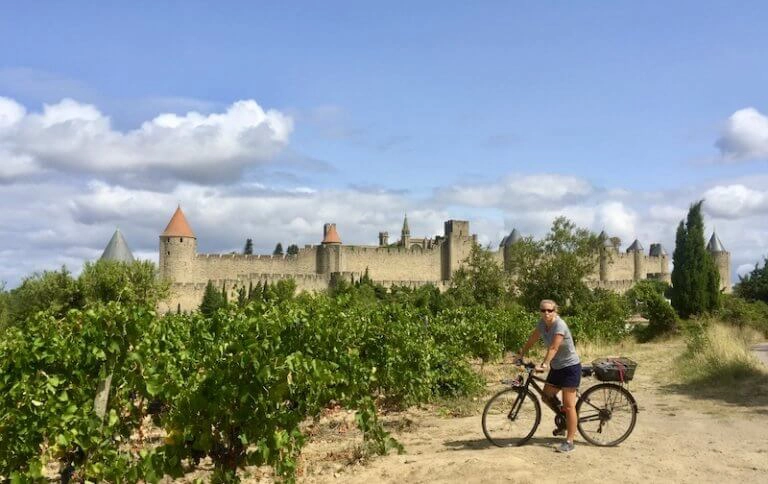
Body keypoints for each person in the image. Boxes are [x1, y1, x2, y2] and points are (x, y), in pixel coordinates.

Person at [516, 299, 581, 453]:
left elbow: (554, 347)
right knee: (546, 396)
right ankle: (563, 419)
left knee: (569, 405)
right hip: (557, 367)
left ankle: (570, 441)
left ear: (555, 311)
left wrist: (544, 364)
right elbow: (533, 338)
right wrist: (521, 354)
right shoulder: (542, 323)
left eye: (550, 310)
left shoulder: (560, 325)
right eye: (543, 310)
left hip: (570, 368)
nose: (546, 313)